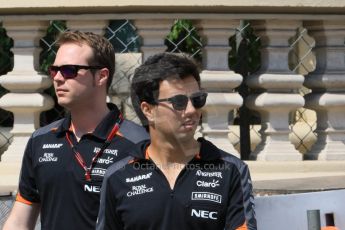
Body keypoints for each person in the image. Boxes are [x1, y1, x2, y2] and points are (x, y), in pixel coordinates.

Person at [3, 31, 149, 230]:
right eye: (54, 70)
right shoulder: (41, 140)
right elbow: (19, 221)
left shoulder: (139, 144)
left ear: (101, 76)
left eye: (70, 70)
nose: (58, 78)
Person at [96, 52, 257, 230]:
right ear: (148, 110)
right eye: (178, 102)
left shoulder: (231, 170)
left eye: (197, 100)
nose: (191, 110)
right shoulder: (117, 176)